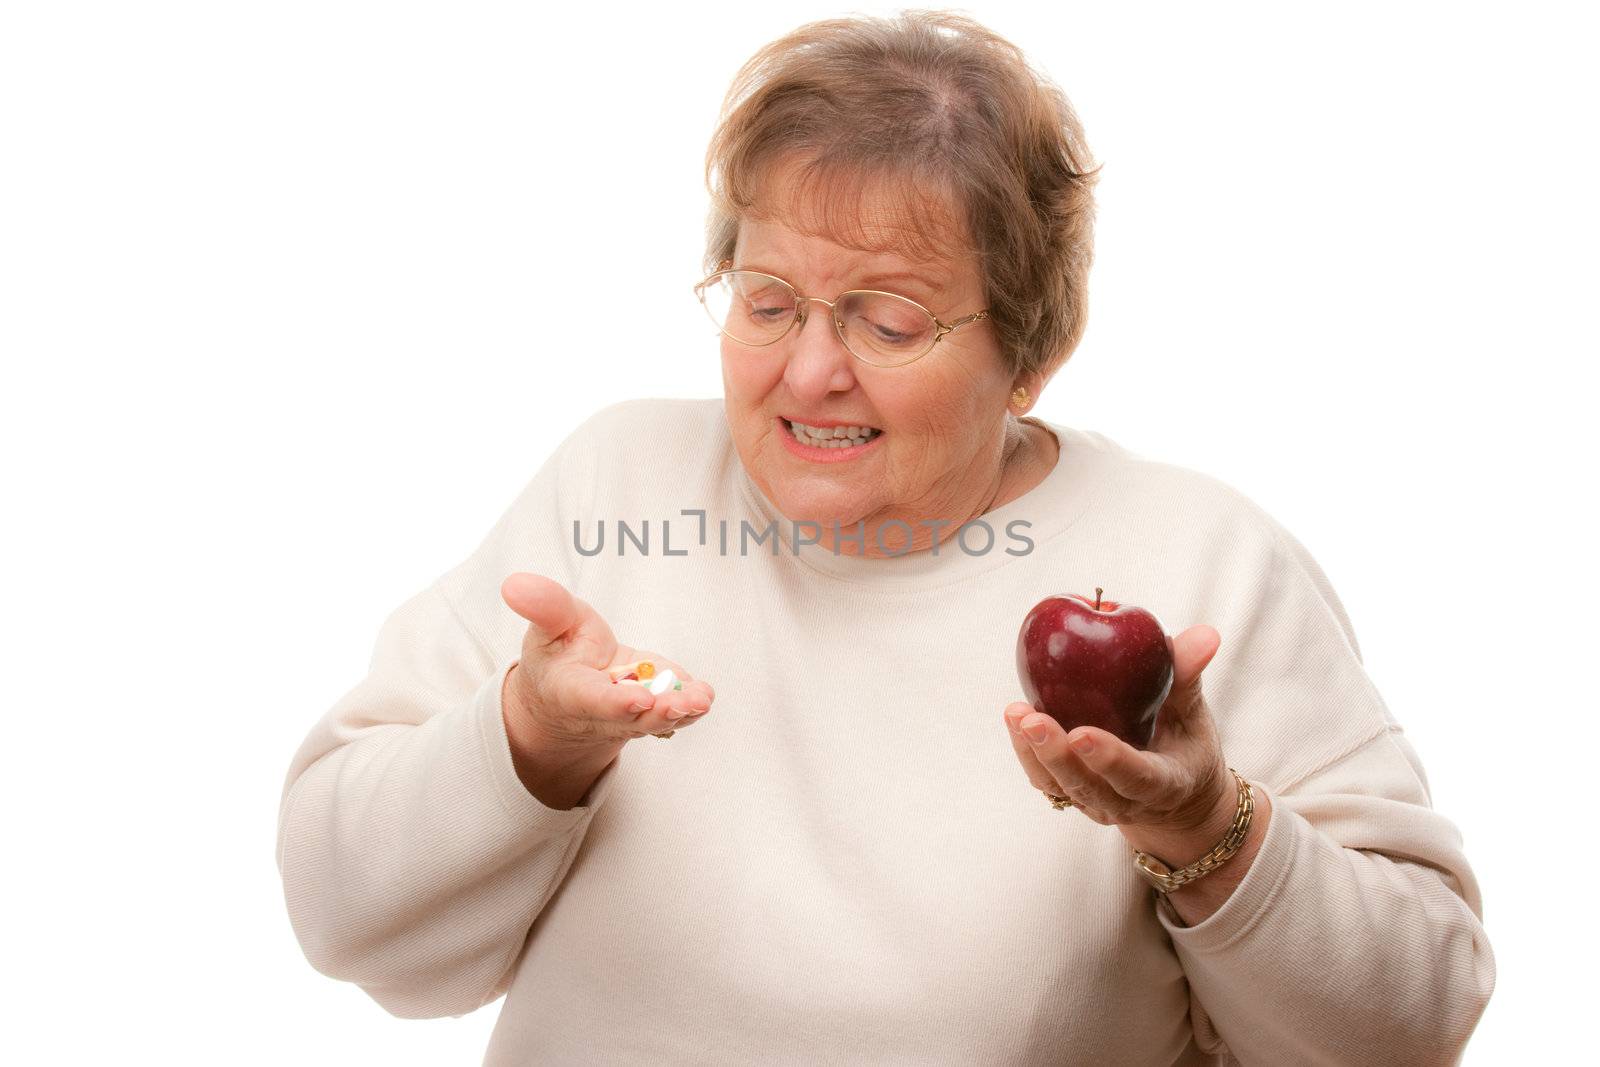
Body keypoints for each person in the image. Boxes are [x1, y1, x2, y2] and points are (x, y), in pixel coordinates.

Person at [275, 11, 1494, 1065]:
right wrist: (527, 739)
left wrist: (1203, 828)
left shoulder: (1198, 559)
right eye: (767, 303)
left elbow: (1413, 1020)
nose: (809, 371)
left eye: (888, 321)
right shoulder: (619, 478)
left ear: (1031, 355)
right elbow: (343, 919)